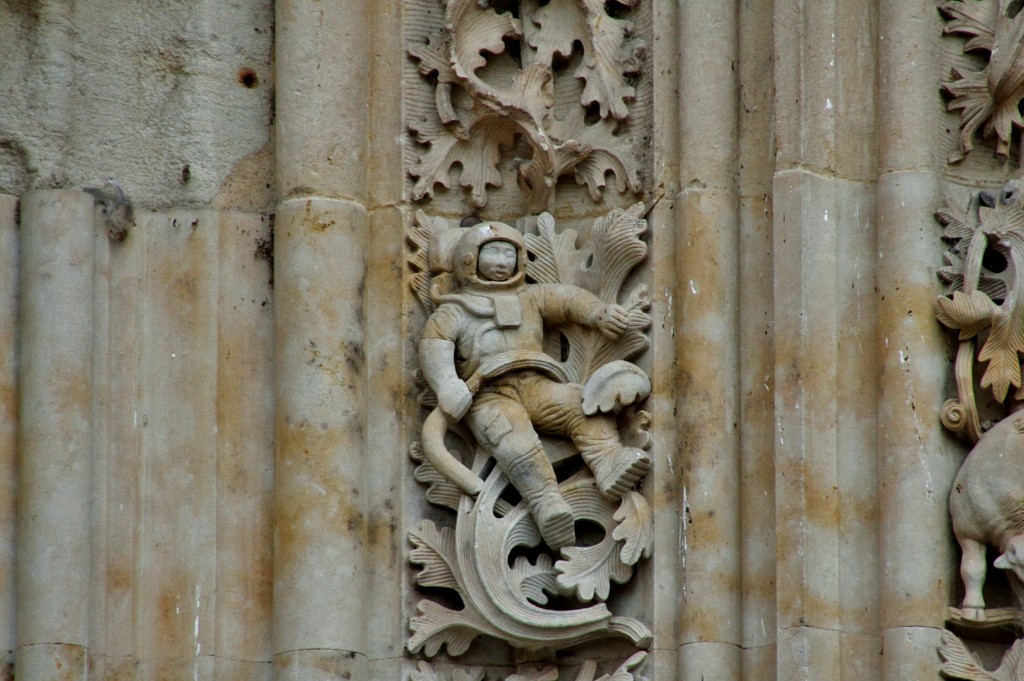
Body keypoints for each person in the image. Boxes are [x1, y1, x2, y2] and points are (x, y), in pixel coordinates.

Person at [419, 221, 650, 549]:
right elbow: (435, 346)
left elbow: (568, 300)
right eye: (492, 253)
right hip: (488, 396)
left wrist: (598, 313)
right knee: (514, 440)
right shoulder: (454, 311)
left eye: (507, 253)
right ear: (469, 260)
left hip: (537, 384)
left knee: (581, 405)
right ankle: (546, 505)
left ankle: (608, 460)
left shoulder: (532, 297)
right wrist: (446, 385)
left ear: (520, 260)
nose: (500, 261)